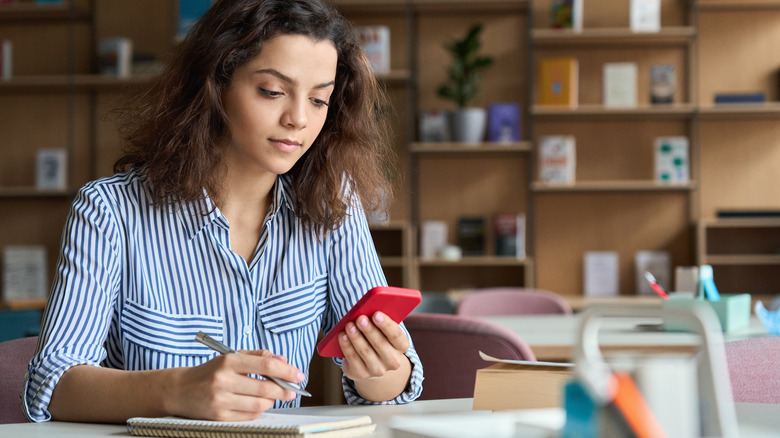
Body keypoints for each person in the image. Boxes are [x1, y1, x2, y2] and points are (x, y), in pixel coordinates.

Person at [23, 0, 423, 423]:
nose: (298, 119)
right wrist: (177, 391)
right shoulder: (110, 212)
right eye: (272, 91)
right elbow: (52, 384)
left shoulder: (332, 204)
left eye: (320, 100)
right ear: (214, 85)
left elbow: (395, 387)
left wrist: (379, 371)